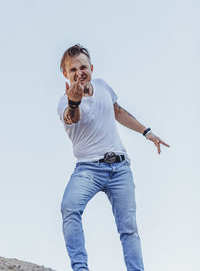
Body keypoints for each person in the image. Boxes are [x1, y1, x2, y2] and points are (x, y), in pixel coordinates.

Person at [57, 44, 170, 271]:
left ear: (91, 68)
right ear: (66, 74)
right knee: (69, 208)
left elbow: (118, 111)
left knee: (129, 228)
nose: (79, 72)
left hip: (120, 168)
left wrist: (147, 132)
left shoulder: (102, 86)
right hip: (88, 170)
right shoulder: (64, 102)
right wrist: (74, 101)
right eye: (73, 69)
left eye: (83, 67)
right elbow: (73, 117)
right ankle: (80, 268)